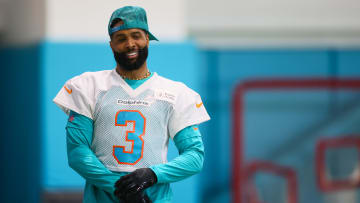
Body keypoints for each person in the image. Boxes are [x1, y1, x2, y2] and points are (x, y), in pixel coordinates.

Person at [53, 6, 210, 203]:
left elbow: (194, 157)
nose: (130, 44)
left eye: (136, 36)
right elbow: (77, 152)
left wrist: (151, 175)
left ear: (147, 38)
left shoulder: (176, 93)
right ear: (111, 45)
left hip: (155, 198)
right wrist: (122, 190)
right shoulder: (89, 86)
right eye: (121, 38)